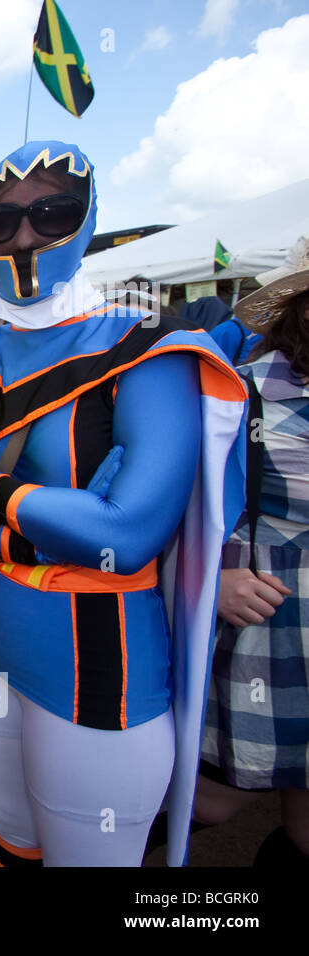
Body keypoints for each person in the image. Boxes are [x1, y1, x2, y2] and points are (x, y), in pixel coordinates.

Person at [0, 141, 246, 867]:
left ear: (89, 219)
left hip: (101, 667)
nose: (25, 236)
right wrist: (60, 514)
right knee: (9, 844)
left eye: (52, 212)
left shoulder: (148, 351)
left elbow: (128, 536)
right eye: (0, 221)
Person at [195, 241, 309, 865]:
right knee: (212, 799)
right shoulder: (240, 396)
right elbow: (175, 516)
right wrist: (215, 578)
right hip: (269, 633)